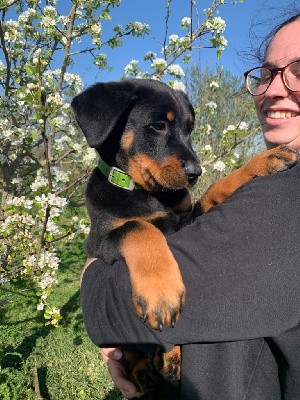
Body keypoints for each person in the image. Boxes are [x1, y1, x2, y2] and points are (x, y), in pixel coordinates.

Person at [80, 13, 300, 400]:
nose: (190, 160)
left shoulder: (287, 200)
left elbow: (110, 305)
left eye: (298, 70)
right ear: (108, 121)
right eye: (161, 128)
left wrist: (92, 282)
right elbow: (195, 228)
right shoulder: (107, 195)